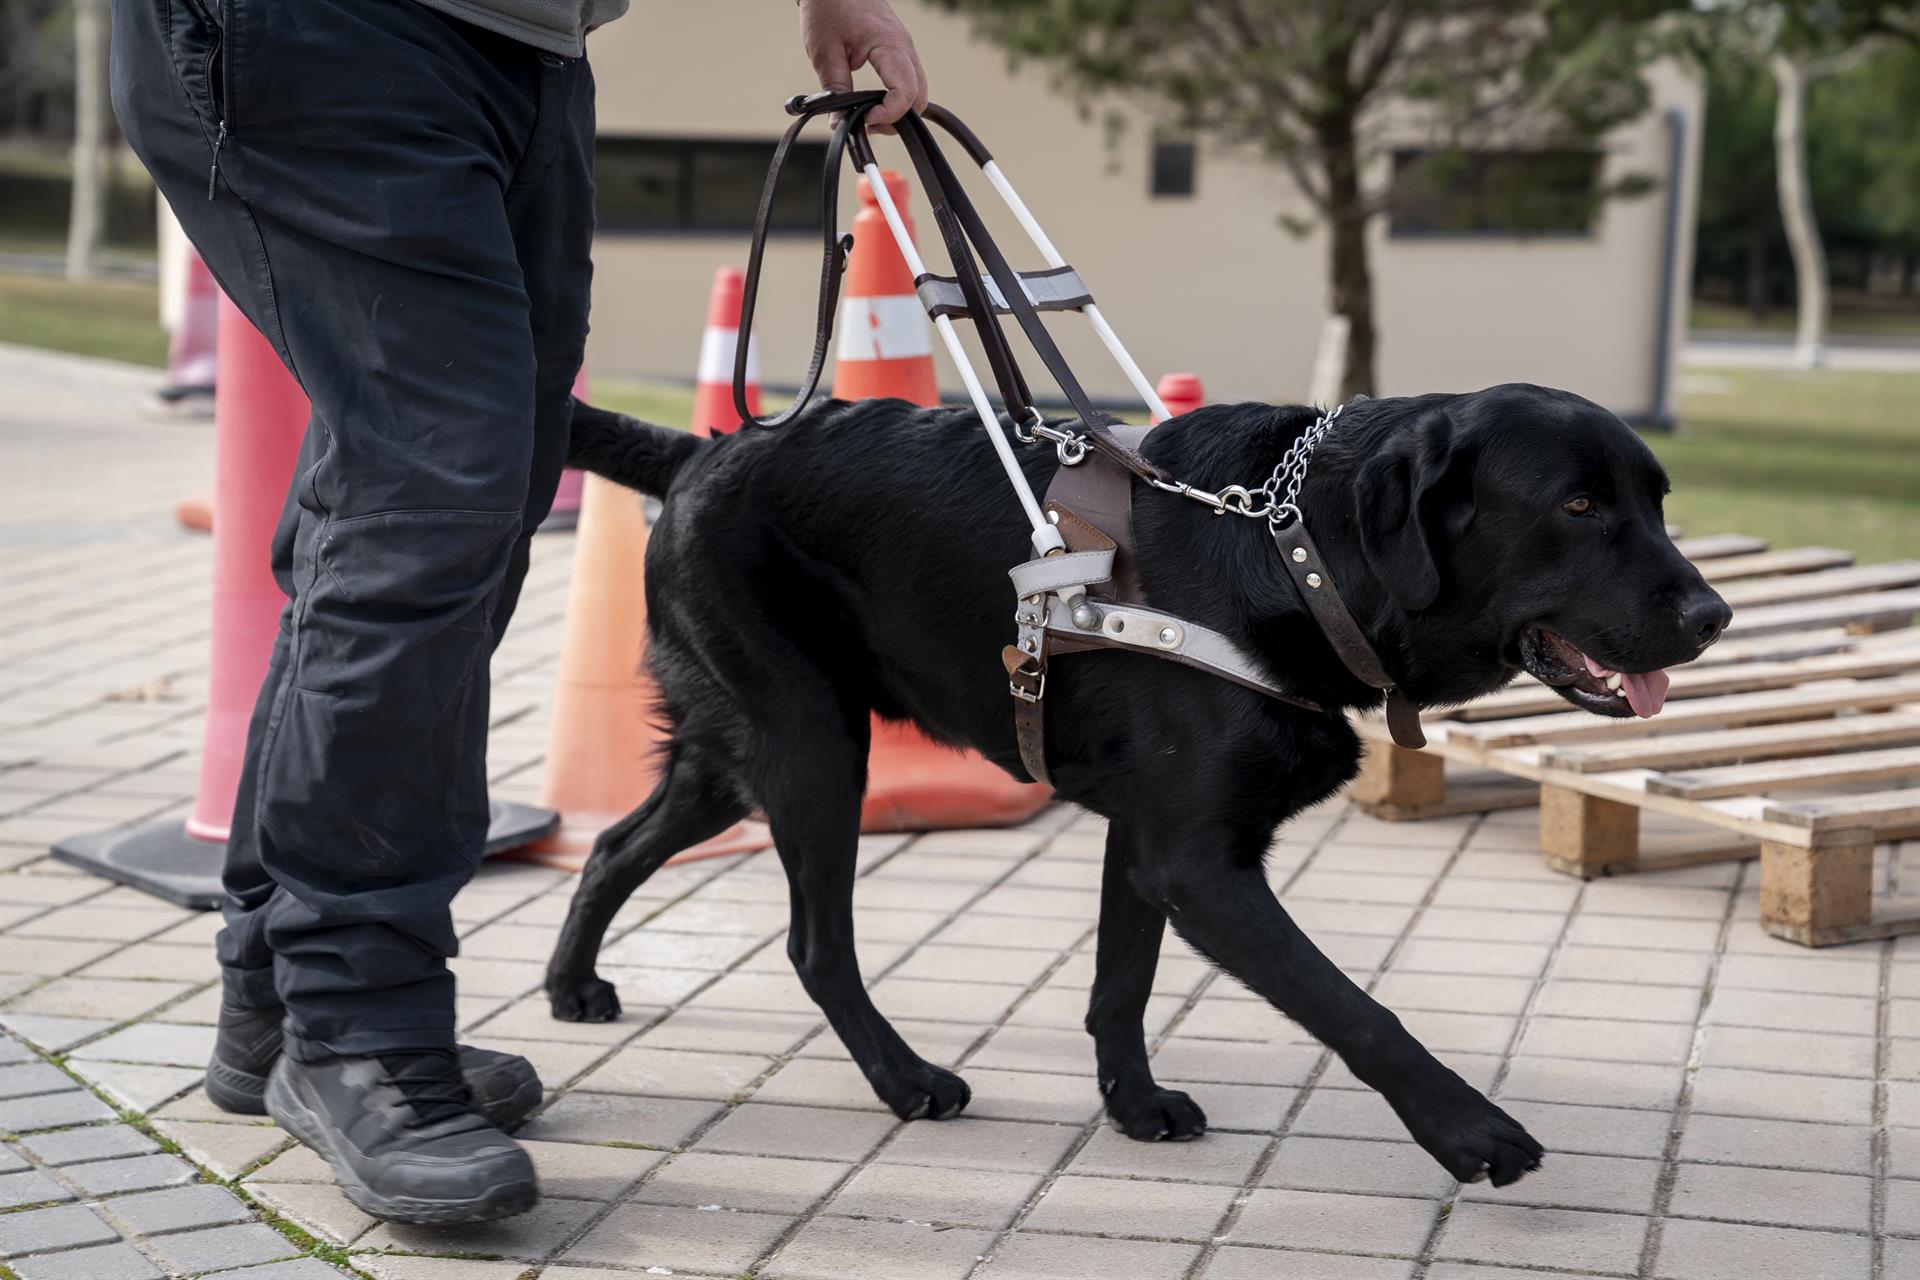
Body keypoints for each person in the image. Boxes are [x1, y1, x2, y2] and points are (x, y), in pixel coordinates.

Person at [110, 0, 929, 1226]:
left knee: (441, 505)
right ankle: (360, 1029)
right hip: (326, 29)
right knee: (432, 493)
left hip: (529, 46)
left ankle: (279, 995)